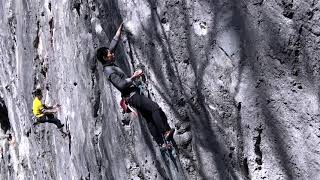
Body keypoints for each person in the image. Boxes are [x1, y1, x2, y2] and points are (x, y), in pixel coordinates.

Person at [96, 23, 175, 143]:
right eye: (110, 54)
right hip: (133, 96)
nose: (113, 53)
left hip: (132, 96)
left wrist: (119, 31)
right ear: (105, 58)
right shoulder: (109, 71)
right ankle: (165, 132)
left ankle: (160, 143)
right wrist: (134, 77)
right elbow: (121, 85)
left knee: (149, 118)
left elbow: (112, 46)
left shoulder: (108, 63)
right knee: (154, 108)